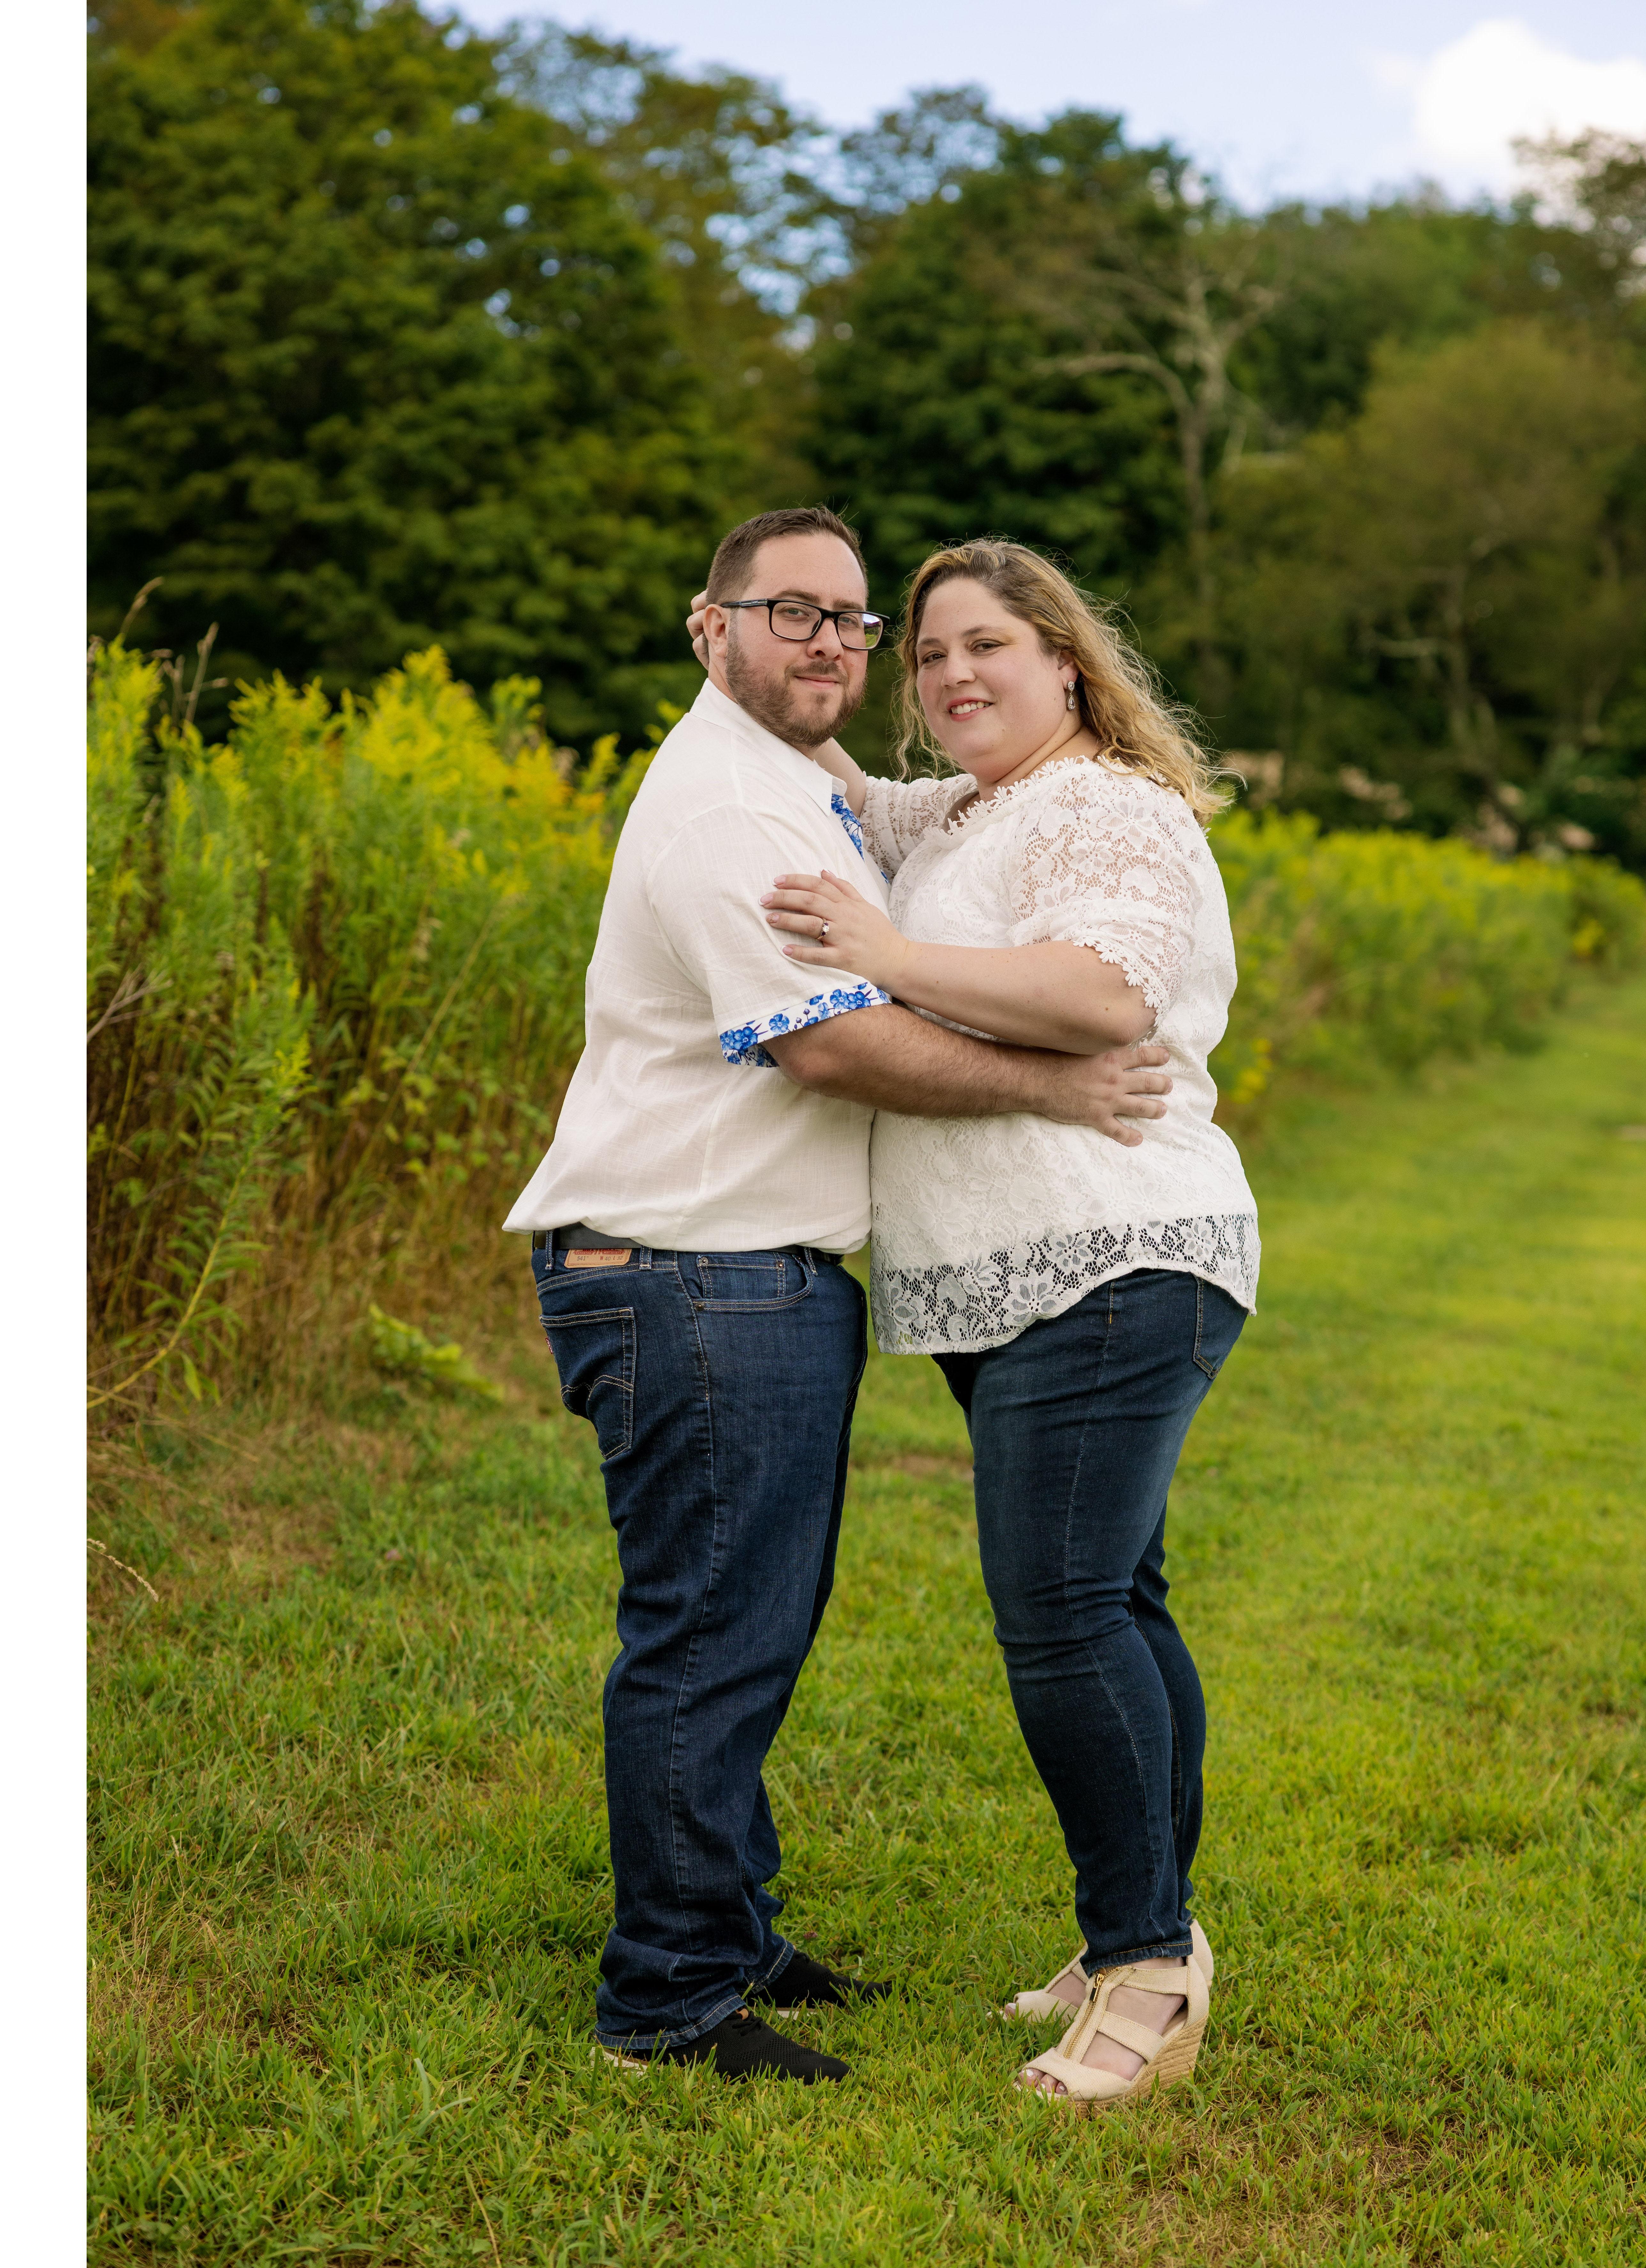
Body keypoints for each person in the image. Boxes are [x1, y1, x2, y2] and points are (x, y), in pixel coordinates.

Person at [503, 508, 1177, 2085]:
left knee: (753, 1621)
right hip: (689, 1268)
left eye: (853, 621)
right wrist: (1057, 1089)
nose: (832, 641)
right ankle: (667, 2000)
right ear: (709, 625)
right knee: (710, 1638)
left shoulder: (807, 786)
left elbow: (992, 807)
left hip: (748, 1271)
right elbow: (829, 1039)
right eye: (791, 609)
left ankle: (723, 1925)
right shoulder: (729, 810)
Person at [755, 538, 1258, 2109]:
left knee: (1060, 1615)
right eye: (928, 654)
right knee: (1119, 1597)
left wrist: (889, 956)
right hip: (1023, 1267)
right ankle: (1150, 1930)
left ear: (1066, 662)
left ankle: (1148, 1964)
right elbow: (805, 742)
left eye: (990, 644)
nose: (954, 675)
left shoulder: (1107, 801)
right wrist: (775, 637)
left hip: (1109, 1253)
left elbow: (1108, 992)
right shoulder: (972, 808)